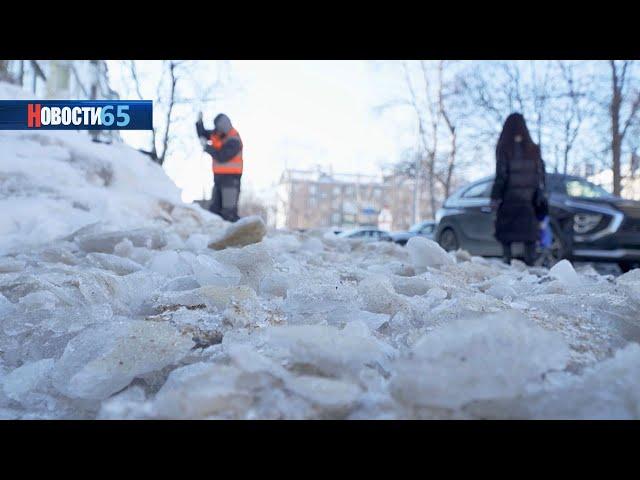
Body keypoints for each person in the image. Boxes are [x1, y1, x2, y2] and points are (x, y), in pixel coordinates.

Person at [490, 113, 546, 266]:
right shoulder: (534, 150)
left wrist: (495, 198)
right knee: (530, 243)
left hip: (509, 203)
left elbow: (501, 177)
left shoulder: (504, 148)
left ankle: (507, 269)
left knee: (506, 241)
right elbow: (541, 176)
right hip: (529, 204)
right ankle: (532, 274)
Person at [196, 112, 243, 222]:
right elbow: (203, 134)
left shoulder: (234, 139)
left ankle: (237, 235)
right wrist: (199, 124)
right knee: (214, 211)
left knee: (229, 211)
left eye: (218, 128)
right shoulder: (218, 134)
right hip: (218, 179)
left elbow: (222, 156)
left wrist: (207, 147)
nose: (216, 130)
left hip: (231, 180)